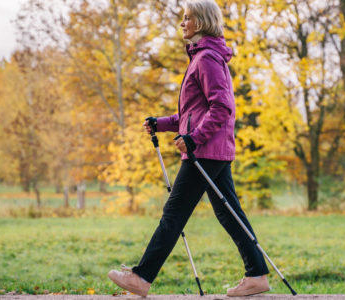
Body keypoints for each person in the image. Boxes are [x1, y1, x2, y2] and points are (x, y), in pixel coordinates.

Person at [108, 0, 270, 297]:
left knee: (174, 213)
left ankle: (142, 278)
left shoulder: (206, 58)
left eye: (187, 18)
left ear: (202, 22)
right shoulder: (201, 57)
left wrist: (195, 138)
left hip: (205, 151)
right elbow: (192, 113)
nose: (182, 23)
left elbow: (223, 107)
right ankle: (257, 274)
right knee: (228, 212)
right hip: (211, 148)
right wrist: (162, 123)